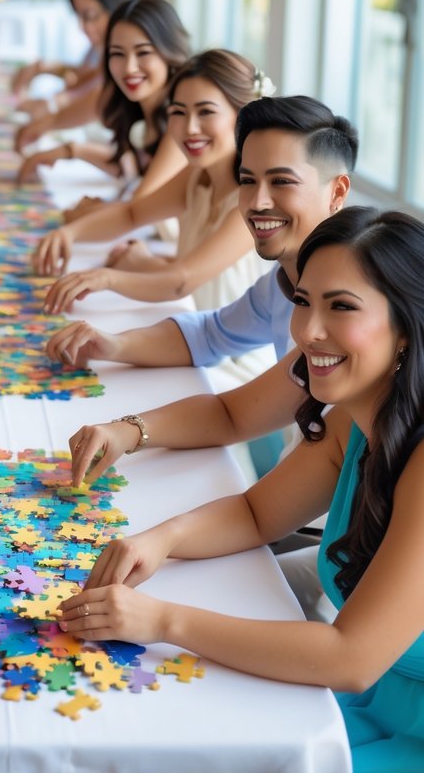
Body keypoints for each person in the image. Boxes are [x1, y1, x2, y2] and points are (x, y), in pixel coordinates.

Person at [58, 207, 424, 773]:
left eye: (341, 307)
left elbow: (352, 658)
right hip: (362, 701)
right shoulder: (358, 416)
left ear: (407, 328)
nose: (308, 331)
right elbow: (258, 513)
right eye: (304, 302)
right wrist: (158, 539)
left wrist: (160, 621)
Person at [47, 96, 357, 482]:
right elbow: (211, 332)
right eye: (247, 181)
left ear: (337, 193)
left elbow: (235, 416)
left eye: (281, 181)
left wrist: (131, 429)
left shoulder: (357, 310)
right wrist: (114, 345)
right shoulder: (284, 281)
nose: (258, 202)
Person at [37, 51, 273, 378]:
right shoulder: (196, 176)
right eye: (178, 112)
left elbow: (181, 281)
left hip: (229, 366)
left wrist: (105, 277)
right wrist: (70, 233)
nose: (189, 128)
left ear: (242, 115)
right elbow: (132, 215)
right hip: (186, 336)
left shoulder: (254, 201)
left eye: (206, 112)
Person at [14, 0, 144, 169]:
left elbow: (97, 97)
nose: (83, 27)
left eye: (91, 16)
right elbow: (97, 91)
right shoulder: (107, 61)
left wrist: (67, 144)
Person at [11, 0, 111, 102]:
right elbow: (86, 76)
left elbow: (95, 85)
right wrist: (45, 68)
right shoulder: (95, 44)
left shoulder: (115, 41)